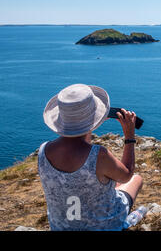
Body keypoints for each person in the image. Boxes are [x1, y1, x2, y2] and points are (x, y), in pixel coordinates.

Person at [38, 83, 143, 230]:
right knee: (136, 179)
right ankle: (124, 221)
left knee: (110, 182)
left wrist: (88, 125)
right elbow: (127, 174)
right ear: (95, 119)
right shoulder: (98, 155)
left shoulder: (43, 150)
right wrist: (130, 136)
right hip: (103, 226)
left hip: (61, 227)